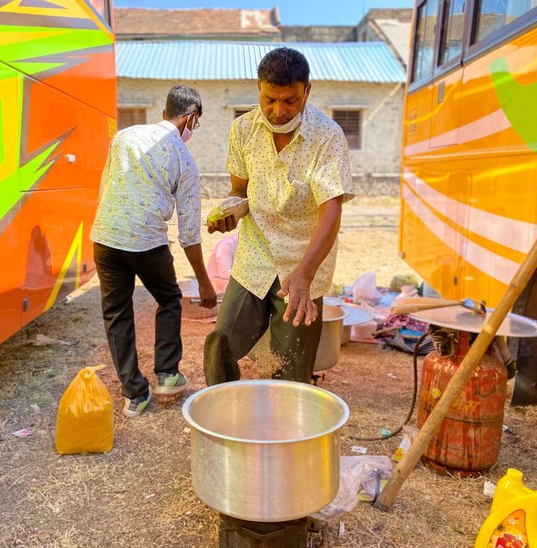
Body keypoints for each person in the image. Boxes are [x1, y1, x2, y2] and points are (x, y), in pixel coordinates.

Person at [203, 47, 353, 385]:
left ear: (306, 92)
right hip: (254, 258)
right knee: (220, 343)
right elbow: (239, 190)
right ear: (259, 88)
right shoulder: (242, 130)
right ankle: (222, 410)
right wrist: (230, 211)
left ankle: (284, 430)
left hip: (303, 265)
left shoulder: (327, 137)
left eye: (290, 101)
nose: (279, 110)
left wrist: (304, 275)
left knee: (291, 366)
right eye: (270, 99)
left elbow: (331, 210)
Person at [91, 85, 217, 417]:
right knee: (169, 299)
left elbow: (109, 186)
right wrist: (204, 282)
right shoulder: (183, 159)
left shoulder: (124, 136)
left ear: (164, 113)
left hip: (105, 238)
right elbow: (189, 232)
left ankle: (134, 395)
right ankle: (167, 374)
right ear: (191, 118)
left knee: (117, 313)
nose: (194, 132)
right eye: (197, 125)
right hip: (147, 242)